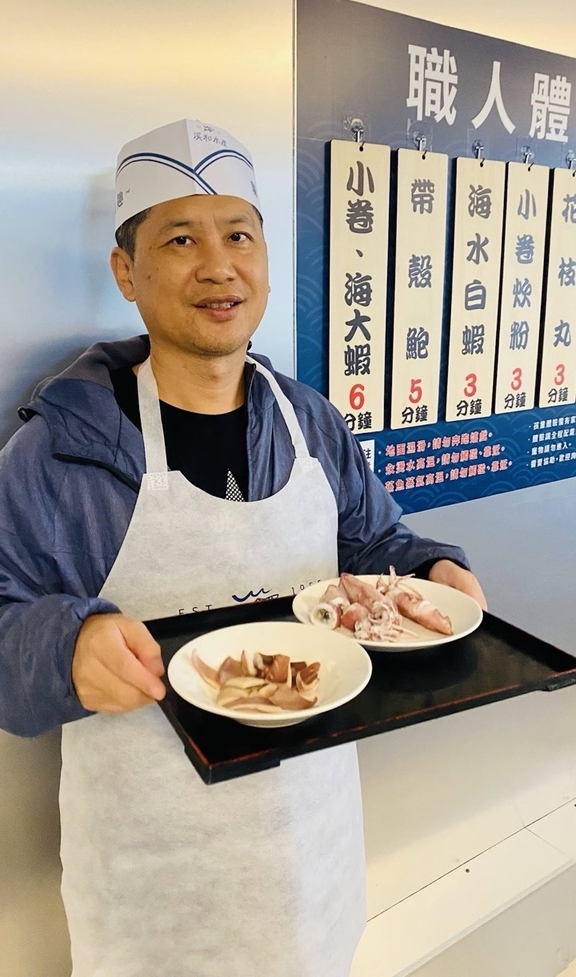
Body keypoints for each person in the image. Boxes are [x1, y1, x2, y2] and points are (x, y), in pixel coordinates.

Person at [0, 118, 486, 977]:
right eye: (180, 239)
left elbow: (376, 541)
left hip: (310, 851)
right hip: (150, 883)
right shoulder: (64, 448)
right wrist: (63, 647)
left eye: (239, 236)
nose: (219, 265)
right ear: (126, 271)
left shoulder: (312, 424)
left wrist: (427, 570)